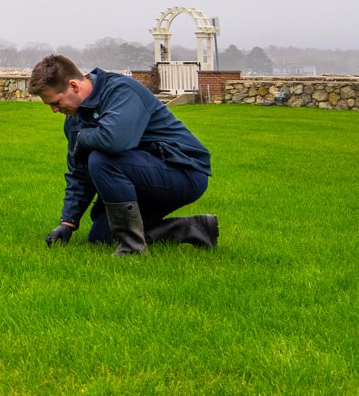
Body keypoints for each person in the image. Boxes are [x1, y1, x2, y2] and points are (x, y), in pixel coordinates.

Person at [29, 54, 219, 255]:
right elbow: (79, 172)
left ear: (74, 86)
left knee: (101, 160)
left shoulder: (121, 91)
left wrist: (83, 138)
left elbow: (114, 141)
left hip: (184, 171)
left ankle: (132, 248)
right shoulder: (75, 120)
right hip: (145, 176)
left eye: (56, 102)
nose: (54, 110)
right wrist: (68, 222)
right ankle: (193, 228)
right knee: (102, 238)